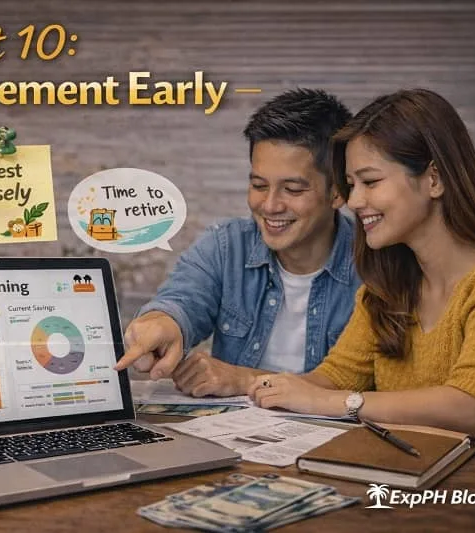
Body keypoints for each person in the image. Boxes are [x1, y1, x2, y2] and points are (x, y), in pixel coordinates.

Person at [247, 88, 475, 442]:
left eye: (370, 182)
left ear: (434, 178)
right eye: (352, 185)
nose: (354, 201)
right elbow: (336, 377)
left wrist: (337, 402)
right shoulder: (386, 284)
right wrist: (267, 387)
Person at [115, 89, 360, 396]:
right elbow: (181, 300)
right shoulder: (226, 246)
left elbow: (365, 386)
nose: (270, 206)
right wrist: (161, 323)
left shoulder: (375, 264)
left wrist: (244, 379)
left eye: (293, 190)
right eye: (258, 185)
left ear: (337, 192)